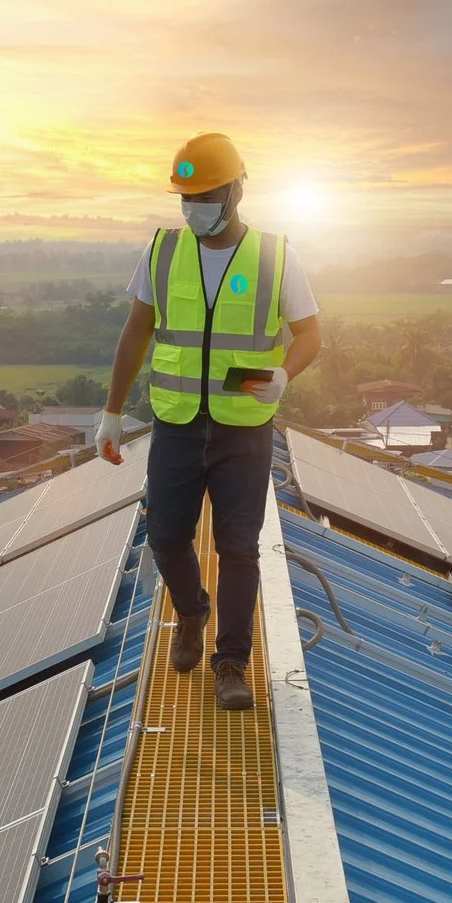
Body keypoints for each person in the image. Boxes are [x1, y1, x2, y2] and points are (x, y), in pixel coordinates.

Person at [99, 133, 322, 711]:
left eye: (205, 193)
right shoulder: (163, 251)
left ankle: (231, 662)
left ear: (235, 190)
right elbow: (136, 332)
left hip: (244, 425)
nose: (192, 205)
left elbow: (311, 333)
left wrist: (285, 375)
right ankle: (193, 610)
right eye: (186, 195)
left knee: (238, 546)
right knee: (166, 535)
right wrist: (111, 411)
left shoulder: (276, 255)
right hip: (175, 420)